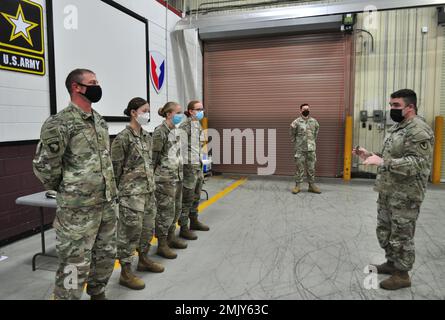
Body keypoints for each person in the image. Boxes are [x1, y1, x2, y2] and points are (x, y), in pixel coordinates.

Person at [33, 69, 117, 300]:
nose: (97, 86)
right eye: (92, 83)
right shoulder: (59, 123)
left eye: (97, 82)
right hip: (77, 211)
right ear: (76, 87)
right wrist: (71, 189)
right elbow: (45, 167)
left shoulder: (99, 120)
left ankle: (98, 293)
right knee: (74, 264)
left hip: (106, 205)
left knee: (106, 255)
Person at [353, 89, 434, 290]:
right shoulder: (399, 128)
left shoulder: (418, 130)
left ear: (410, 107)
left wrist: (383, 162)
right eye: (390, 105)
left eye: (396, 105)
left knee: (402, 235)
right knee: (385, 230)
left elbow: (418, 164)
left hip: (406, 194)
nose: (392, 109)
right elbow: (392, 156)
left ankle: (402, 274)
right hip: (389, 190)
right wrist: (371, 155)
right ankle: (391, 263)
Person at [111, 97, 165, 291]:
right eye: (144, 110)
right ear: (134, 113)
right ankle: (125, 272)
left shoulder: (147, 137)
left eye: (148, 110)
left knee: (147, 229)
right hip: (131, 196)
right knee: (128, 233)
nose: (148, 114)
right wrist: (118, 194)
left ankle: (143, 259)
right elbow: (115, 169)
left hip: (148, 192)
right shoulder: (122, 138)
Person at [152, 102, 187, 259]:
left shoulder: (177, 131)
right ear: (168, 114)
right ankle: (162, 244)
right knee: (164, 212)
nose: (180, 115)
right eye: (178, 112)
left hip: (178, 176)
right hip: (165, 179)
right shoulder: (160, 132)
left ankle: (171, 237)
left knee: (176, 209)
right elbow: (154, 158)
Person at [178, 101, 210, 241]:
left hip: (197, 165)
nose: (202, 111)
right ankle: (184, 228)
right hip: (189, 167)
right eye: (198, 109)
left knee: (196, 195)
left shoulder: (197, 125)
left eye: (202, 109)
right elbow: (180, 147)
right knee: (187, 198)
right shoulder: (185, 126)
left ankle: (194, 221)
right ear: (191, 111)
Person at [289, 103, 321, 194]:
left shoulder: (314, 122)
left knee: (311, 168)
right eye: (304, 109)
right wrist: (297, 142)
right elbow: (292, 133)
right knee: (299, 168)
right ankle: (297, 186)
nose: (306, 110)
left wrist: (312, 142)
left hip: (311, 149)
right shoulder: (296, 122)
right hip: (300, 150)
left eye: (307, 109)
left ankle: (311, 186)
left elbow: (316, 133)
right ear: (300, 111)